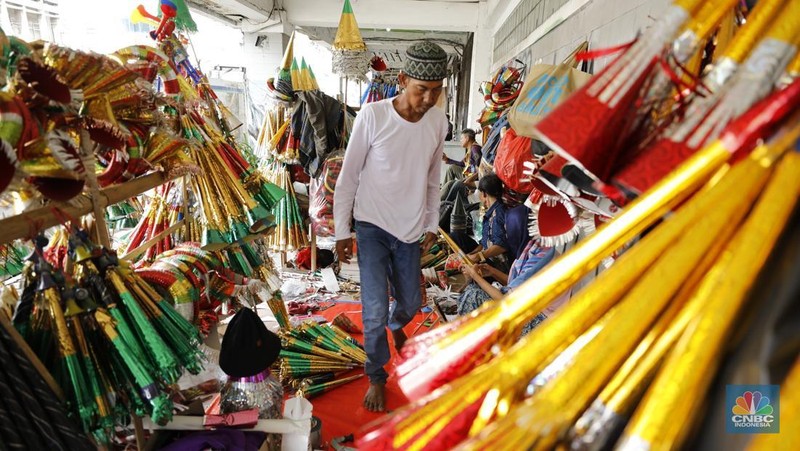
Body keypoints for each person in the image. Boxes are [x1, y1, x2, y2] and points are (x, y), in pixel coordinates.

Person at [333, 41, 449, 412]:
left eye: (437, 90)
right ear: (401, 80)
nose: (429, 99)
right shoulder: (373, 116)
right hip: (371, 226)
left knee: (412, 302)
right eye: (422, 90)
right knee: (372, 306)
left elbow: (434, 180)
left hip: (411, 229)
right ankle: (377, 375)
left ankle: (397, 325)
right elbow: (348, 178)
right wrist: (341, 231)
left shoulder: (438, 121)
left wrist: (431, 222)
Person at [465, 173, 510, 273]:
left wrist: (479, 256)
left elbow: (501, 246)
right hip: (487, 254)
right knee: (458, 237)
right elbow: (484, 241)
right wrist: (472, 253)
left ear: (484, 194)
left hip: (498, 265)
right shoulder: (492, 211)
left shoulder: (498, 214)